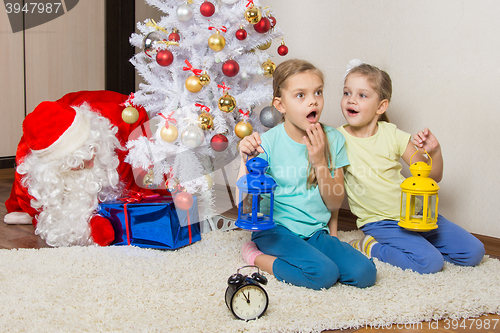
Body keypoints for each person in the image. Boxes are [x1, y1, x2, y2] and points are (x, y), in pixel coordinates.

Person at [238, 59, 377, 290]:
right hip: (275, 231)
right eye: (300, 95)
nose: (313, 100)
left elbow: (334, 203)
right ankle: (254, 255)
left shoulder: (333, 139)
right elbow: (245, 205)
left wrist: (319, 160)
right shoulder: (266, 143)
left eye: (318, 92)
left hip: (314, 232)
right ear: (280, 105)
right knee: (323, 274)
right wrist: (244, 162)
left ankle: (309, 252)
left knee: (365, 273)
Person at [338, 60, 485, 274]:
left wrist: (435, 152)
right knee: (430, 262)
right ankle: (370, 246)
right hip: (381, 222)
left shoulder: (393, 134)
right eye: (346, 93)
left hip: (417, 214)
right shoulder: (337, 139)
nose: (351, 100)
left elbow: (431, 177)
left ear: (381, 106)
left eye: (362, 95)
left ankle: (418, 244)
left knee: (474, 252)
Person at [4, 90, 150, 247]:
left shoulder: (122, 139)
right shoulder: (33, 171)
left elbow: (147, 187)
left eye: (92, 152)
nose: (92, 164)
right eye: (79, 164)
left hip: (115, 116)